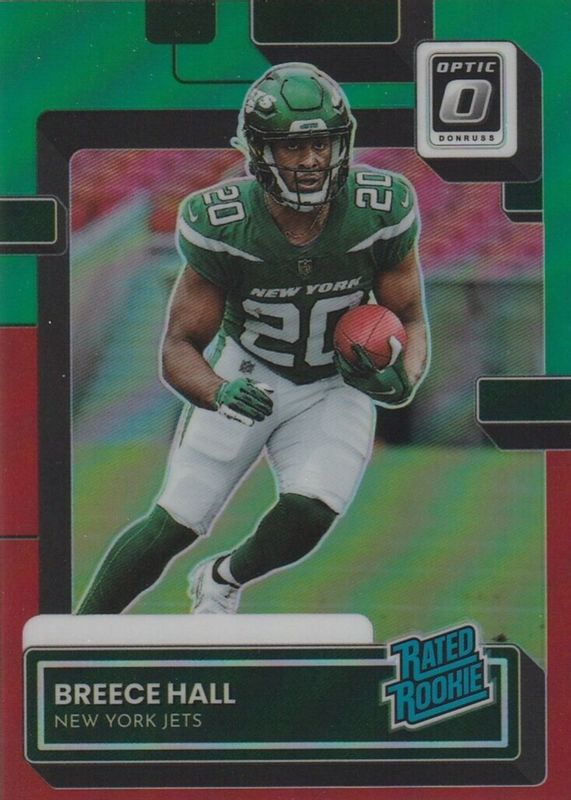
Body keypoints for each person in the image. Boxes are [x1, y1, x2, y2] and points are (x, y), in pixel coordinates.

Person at [76, 62, 429, 615]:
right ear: (259, 151)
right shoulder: (224, 221)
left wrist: (401, 379)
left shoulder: (379, 209)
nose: (310, 161)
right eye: (293, 146)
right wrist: (217, 390)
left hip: (335, 381)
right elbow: (179, 346)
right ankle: (80, 634)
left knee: (312, 510)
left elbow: (411, 317)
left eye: (321, 144)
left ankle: (222, 577)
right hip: (249, 369)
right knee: (175, 521)